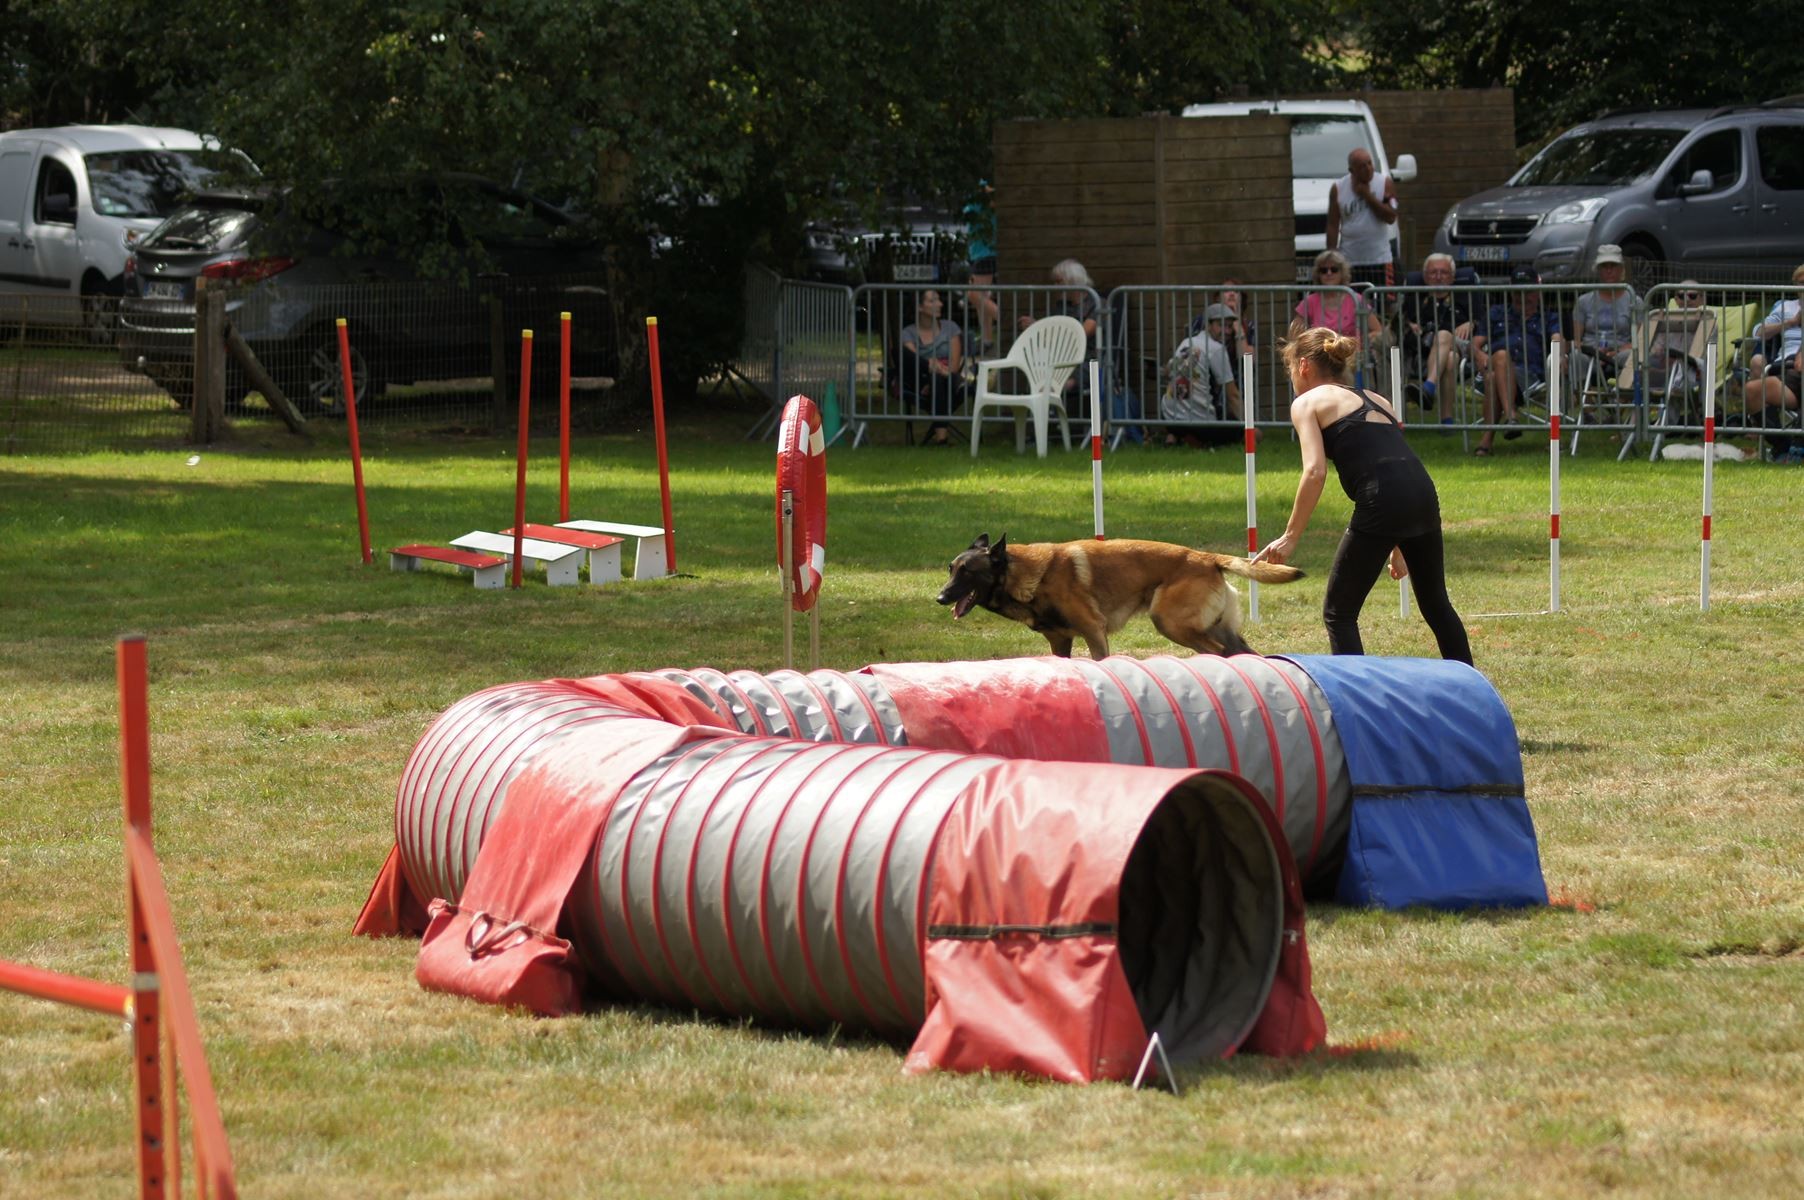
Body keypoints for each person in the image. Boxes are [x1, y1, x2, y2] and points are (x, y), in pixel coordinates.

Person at [1257, 327, 1473, 665]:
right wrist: (1402, 542)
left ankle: (1355, 702)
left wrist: (1289, 537)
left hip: (1383, 499)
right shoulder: (1379, 399)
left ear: (1303, 367)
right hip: (1422, 493)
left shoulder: (1307, 403)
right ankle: (1470, 689)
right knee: (1436, 604)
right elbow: (1393, 461)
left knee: (1338, 612)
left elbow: (1314, 472)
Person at [1472, 267, 1563, 456]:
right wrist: (1479, 354)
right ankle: (1510, 415)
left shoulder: (1548, 317)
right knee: (1498, 362)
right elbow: (1476, 343)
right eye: (1518, 291)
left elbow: (1558, 338)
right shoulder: (1497, 313)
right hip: (1493, 371)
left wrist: (1559, 353)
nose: (1523, 296)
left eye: (1528, 291)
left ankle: (1487, 440)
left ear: (1537, 292)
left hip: (1529, 377)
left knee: (1497, 365)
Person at [1400, 252, 1475, 425]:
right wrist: (1409, 324)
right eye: (1433, 273)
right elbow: (1401, 321)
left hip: (1461, 345)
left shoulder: (1465, 296)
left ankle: (1428, 387)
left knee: (1444, 334)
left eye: (1444, 272)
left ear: (1453, 276)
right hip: (1423, 349)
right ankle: (1446, 420)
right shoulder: (1416, 298)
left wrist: (1471, 322)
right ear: (1425, 277)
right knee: (1450, 359)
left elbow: (1480, 320)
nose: (1439, 277)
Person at [1159, 303, 1244, 448]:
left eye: (1230, 326)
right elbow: (1233, 395)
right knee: (1235, 427)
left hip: (1168, 415)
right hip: (1198, 421)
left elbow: (1168, 370)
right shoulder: (1216, 349)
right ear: (1208, 325)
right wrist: (1249, 426)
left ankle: (1176, 436)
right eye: (1221, 325)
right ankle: (1197, 440)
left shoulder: (1186, 342)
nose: (1227, 331)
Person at [1741, 263, 1804, 452]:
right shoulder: (1786, 308)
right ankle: (1784, 448)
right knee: (1752, 391)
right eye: (1801, 283)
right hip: (1788, 368)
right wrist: (1791, 322)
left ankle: (1799, 445)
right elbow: (1758, 332)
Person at [1568, 244, 1644, 397]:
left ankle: (1621, 405)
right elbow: (1576, 340)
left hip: (1620, 354)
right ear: (1598, 269)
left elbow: (1640, 340)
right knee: (1575, 356)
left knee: (1635, 355)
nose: (1609, 270)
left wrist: (1615, 352)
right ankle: (1587, 405)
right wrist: (1593, 352)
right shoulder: (1583, 301)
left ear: (1621, 269)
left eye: (1613, 266)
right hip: (1590, 353)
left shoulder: (1634, 301)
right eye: (1604, 266)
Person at [1325, 147, 1400, 299]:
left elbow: (1391, 217)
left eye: (1370, 163)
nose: (1368, 169)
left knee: (1382, 306)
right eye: (1362, 166)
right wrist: (1332, 255)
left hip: (1379, 258)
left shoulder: (1384, 183)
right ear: (1351, 170)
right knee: (1351, 305)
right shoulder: (1338, 188)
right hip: (1350, 260)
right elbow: (1333, 224)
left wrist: (1367, 196)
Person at [896, 289, 966, 446]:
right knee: (931, 374)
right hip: (921, 380)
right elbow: (913, 361)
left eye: (939, 300)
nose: (940, 304)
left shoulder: (950, 328)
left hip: (949, 378)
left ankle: (941, 439)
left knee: (938, 379)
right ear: (919, 307)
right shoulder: (908, 333)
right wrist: (930, 366)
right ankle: (942, 438)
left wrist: (940, 371)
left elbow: (954, 366)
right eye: (933, 300)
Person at [1290, 250, 1384, 347]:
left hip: (1350, 355)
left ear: (1342, 273)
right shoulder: (1310, 301)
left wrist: (1361, 343)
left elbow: (1377, 330)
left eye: (1334, 269)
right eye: (1323, 270)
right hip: (1320, 356)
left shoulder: (1356, 299)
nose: (1329, 273)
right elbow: (1294, 335)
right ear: (1318, 274)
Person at [961, 181, 1000, 353]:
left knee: (974, 295)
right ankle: (987, 340)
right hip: (978, 252)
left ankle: (1007, 321)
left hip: (986, 252)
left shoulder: (985, 191)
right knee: (982, 299)